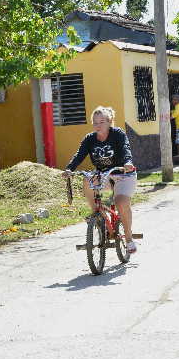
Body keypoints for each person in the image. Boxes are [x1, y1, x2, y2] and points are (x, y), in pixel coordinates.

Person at [63, 106, 138, 254]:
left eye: (101, 122)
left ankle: (128, 238)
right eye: (95, 122)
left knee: (121, 202)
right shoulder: (90, 139)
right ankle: (97, 217)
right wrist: (69, 168)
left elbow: (125, 148)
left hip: (123, 174)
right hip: (103, 175)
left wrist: (128, 162)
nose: (98, 125)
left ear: (109, 122)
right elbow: (79, 154)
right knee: (86, 180)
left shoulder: (118, 134)